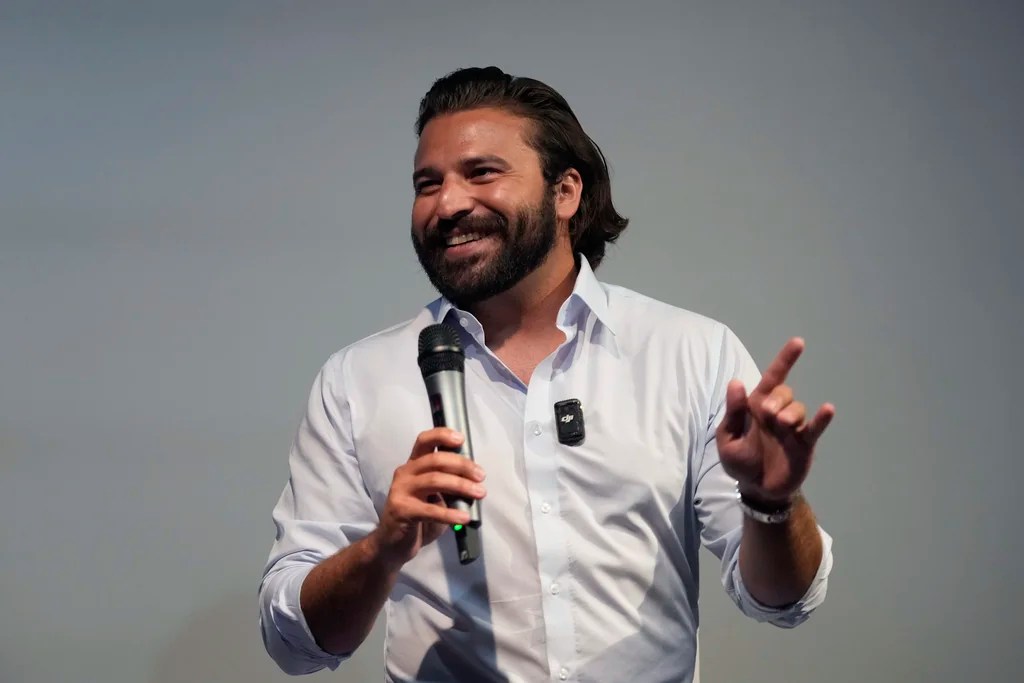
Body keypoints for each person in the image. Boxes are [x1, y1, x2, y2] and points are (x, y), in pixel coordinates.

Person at [259, 66, 835, 683]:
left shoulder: (690, 353)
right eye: (428, 183)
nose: (448, 204)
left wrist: (772, 503)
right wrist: (380, 552)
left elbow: (783, 600)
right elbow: (293, 642)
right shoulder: (358, 381)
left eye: (481, 172)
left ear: (565, 193)